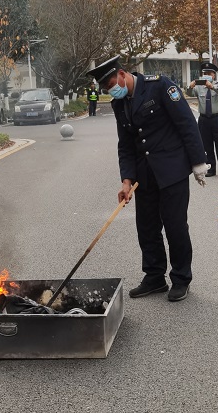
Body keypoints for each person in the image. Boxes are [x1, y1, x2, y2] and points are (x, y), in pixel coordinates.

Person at [86, 56, 208, 302]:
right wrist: (126, 181)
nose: (111, 91)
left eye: (111, 85)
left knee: (175, 227)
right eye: (107, 89)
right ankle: (154, 277)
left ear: (122, 74)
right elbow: (126, 144)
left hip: (172, 170)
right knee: (147, 227)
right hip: (144, 176)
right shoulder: (120, 104)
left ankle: (181, 278)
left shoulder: (160, 86)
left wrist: (198, 163)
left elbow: (186, 123)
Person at [188, 62, 218, 177]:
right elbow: (189, 93)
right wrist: (190, 86)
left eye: (209, 73)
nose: (207, 75)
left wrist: (211, 86)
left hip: (217, 118)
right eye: (205, 73)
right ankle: (211, 169)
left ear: (214, 75)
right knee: (207, 146)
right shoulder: (199, 87)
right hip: (204, 120)